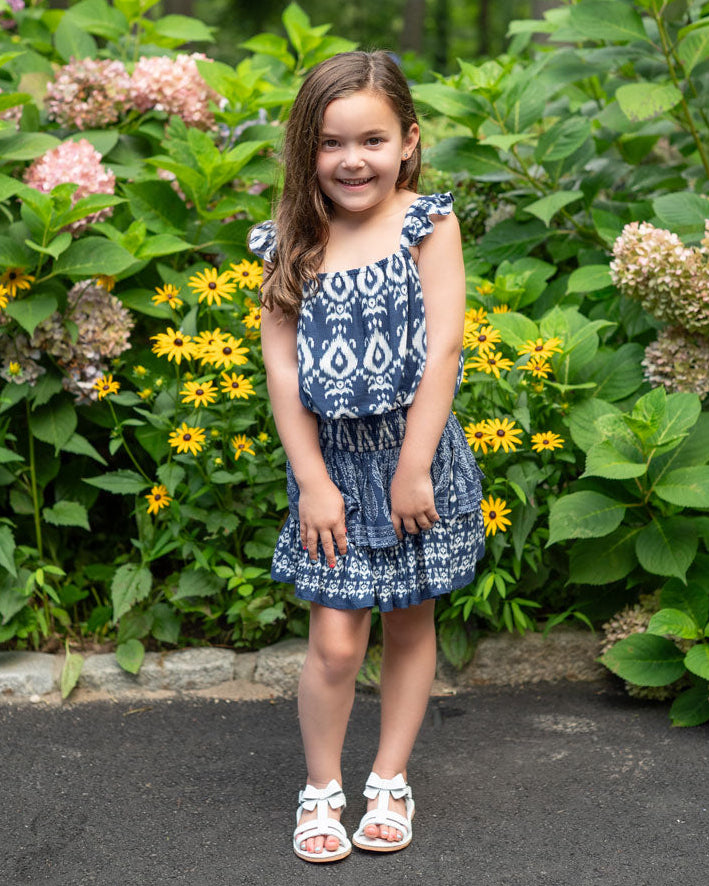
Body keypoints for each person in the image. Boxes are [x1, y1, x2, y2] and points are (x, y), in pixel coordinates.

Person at [249, 50, 485, 863]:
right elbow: (282, 371)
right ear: (305, 150)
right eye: (330, 143)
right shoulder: (288, 241)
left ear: (408, 141)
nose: (353, 160)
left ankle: (389, 778)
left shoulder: (428, 222)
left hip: (414, 455)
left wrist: (415, 464)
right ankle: (322, 788)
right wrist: (312, 481)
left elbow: (442, 349)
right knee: (337, 640)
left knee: (410, 621)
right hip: (332, 467)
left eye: (373, 140)